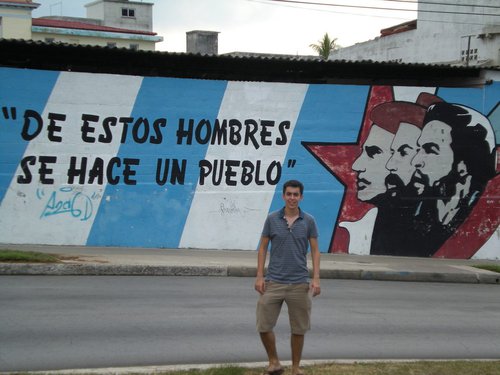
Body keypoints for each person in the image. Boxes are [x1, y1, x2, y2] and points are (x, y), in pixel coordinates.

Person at [410, 102, 497, 256]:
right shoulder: (418, 213)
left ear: (464, 164)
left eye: (430, 150)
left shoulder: (485, 214)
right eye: (419, 149)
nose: (416, 161)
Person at [255, 179, 321, 375]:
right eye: (289, 194)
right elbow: (263, 248)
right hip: (273, 281)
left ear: (301, 197)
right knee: (263, 325)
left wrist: (316, 278)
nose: (292, 198)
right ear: (283, 196)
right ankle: (274, 362)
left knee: (299, 329)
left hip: (299, 283)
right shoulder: (272, 219)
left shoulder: (309, 220)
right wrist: (260, 276)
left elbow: (316, 251)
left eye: (296, 194)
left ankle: (295, 368)